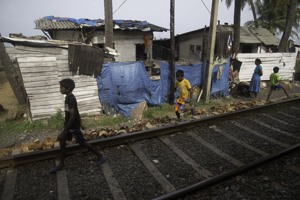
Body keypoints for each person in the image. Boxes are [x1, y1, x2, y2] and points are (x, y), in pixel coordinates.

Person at [49, 79, 107, 173]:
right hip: (69, 124)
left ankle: (100, 155)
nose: (60, 89)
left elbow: (72, 116)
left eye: (61, 87)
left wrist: (64, 131)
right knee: (62, 142)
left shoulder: (70, 99)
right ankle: (62, 164)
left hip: (72, 125)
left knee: (82, 142)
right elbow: (76, 111)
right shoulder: (69, 97)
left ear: (67, 89)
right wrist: (81, 123)